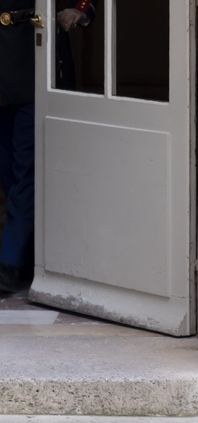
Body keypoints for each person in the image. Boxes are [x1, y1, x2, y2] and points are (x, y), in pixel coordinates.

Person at [0, 0, 94, 293]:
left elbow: (85, 3)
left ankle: (9, 262)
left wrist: (79, 10)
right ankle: (27, 255)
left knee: (27, 172)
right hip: (4, 72)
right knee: (8, 172)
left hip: (37, 67)